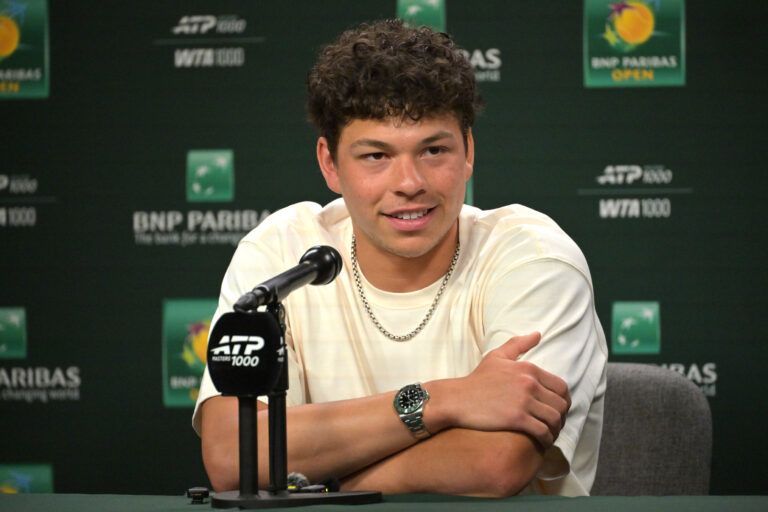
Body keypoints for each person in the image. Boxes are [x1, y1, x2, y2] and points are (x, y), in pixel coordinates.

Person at [193, 19, 607, 497]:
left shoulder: (533, 259)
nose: (409, 182)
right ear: (329, 163)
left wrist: (321, 486)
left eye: (433, 150)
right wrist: (445, 400)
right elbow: (231, 454)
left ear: (468, 150)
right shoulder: (282, 252)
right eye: (376, 156)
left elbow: (496, 463)